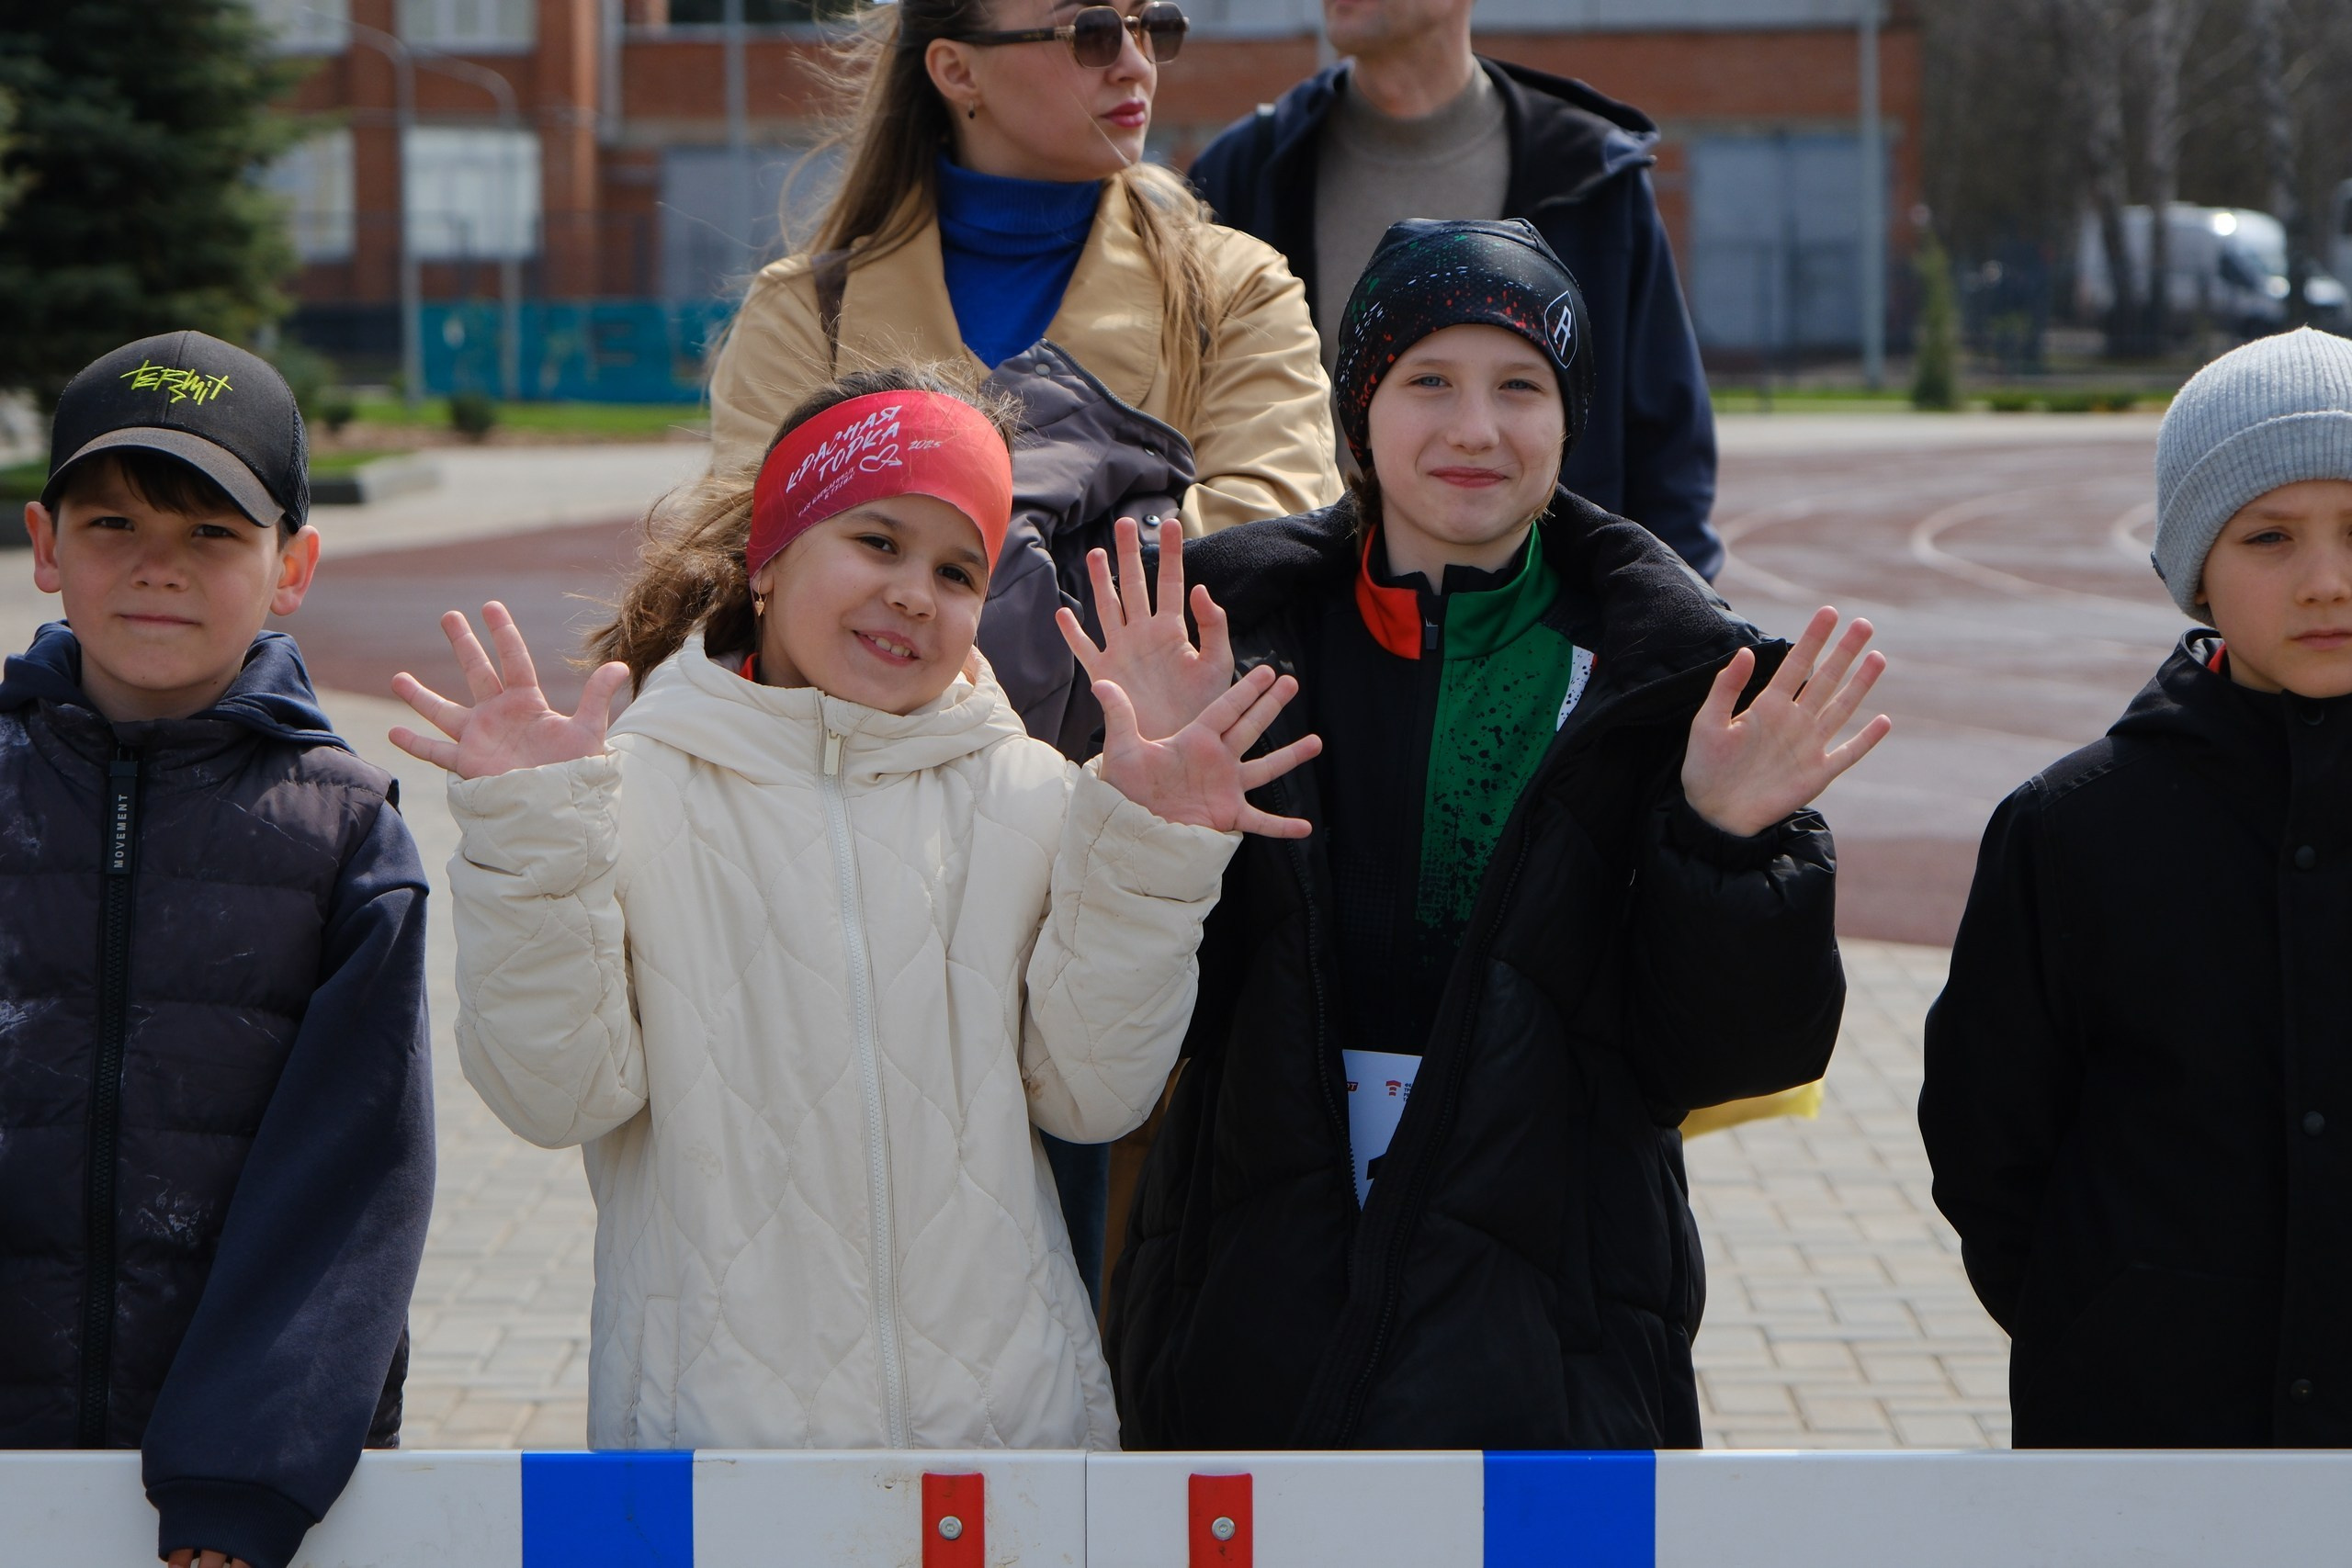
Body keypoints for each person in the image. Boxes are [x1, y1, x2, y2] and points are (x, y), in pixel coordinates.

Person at [394, 367, 1317, 1451]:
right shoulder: (625, 789)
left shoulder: (1031, 795)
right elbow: (557, 1097)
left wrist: (1154, 854)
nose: (916, 593)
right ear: (771, 558)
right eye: (876, 543)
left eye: (957, 568)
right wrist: (531, 846)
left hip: (1005, 1442)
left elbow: (1093, 1096)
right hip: (715, 1445)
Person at [1102, 220, 1884, 1449]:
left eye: (1521, 385)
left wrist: (1729, 845)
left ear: (1569, 421)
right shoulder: (1236, 646)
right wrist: (1147, 807)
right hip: (1254, 1308)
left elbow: (1729, 1056)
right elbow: (1145, 1033)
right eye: (1429, 381)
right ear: (1359, 412)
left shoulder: (1676, 687)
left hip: (1555, 1329)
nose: (1476, 428)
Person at [707, 1, 1344, 1293]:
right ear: (956, 70)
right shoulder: (809, 309)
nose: (1136, 61)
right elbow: (737, 564)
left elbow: (1273, 536)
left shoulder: (1231, 284)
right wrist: (1107, 510)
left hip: (1160, 879)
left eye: (1156, 23)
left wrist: (913, 566)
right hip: (856, 889)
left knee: (1122, 1334)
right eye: (1090, 30)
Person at [0, 333, 434, 1568]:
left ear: (291, 565)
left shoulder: (349, 832)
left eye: (210, 534)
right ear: (44, 544)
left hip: (234, 1508)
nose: (157, 568)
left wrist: (242, 1476)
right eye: (113, 523)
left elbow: (353, 1184)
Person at [1921, 327, 2352, 1448]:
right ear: (2194, 565)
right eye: (2269, 537)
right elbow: (1988, 1144)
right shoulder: (2074, 831)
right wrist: (2103, 1319)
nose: (2326, 580)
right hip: (2144, 1438)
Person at [1188, 0, 1723, 580]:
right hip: (1302, 641)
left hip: (1552, 639)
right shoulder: (1245, 171)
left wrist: (1670, 643)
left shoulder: (1590, 175)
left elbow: (1668, 455)